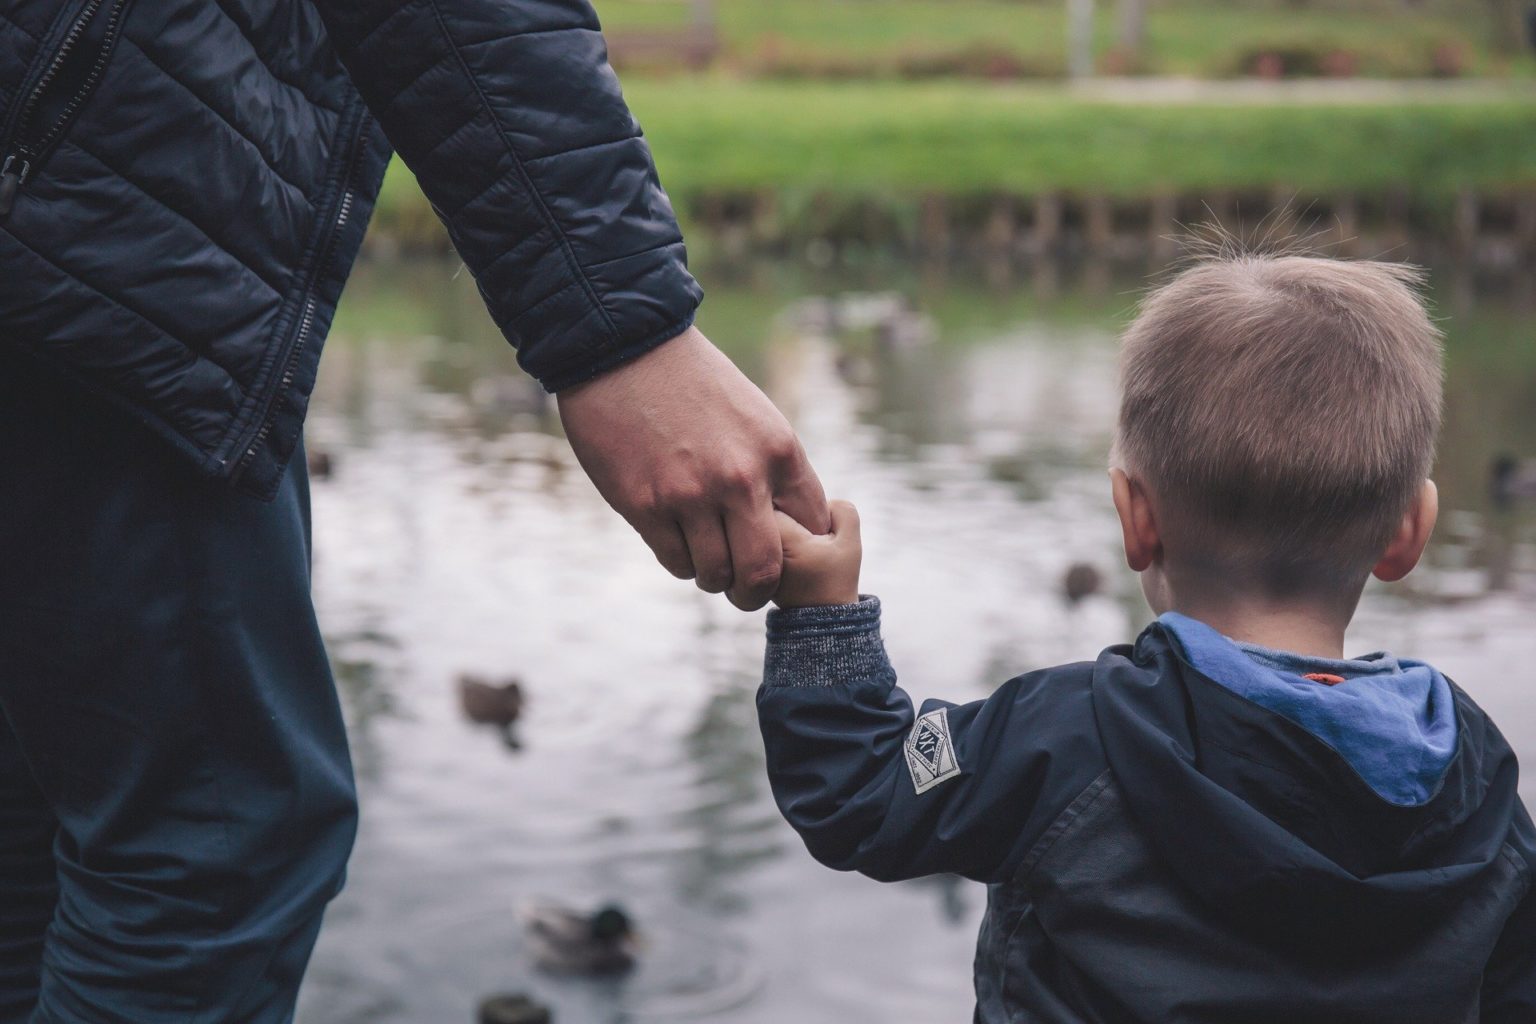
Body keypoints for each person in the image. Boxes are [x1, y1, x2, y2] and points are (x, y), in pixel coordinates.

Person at [0, 0, 825, 1019]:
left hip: (61, 190)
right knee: (207, 847)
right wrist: (621, 325)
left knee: (39, 814)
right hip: (89, 220)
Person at [757, 252, 1536, 1023]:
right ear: (1410, 533)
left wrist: (823, 614)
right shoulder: (1475, 785)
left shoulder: (1066, 739)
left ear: (1136, 520)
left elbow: (863, 792)